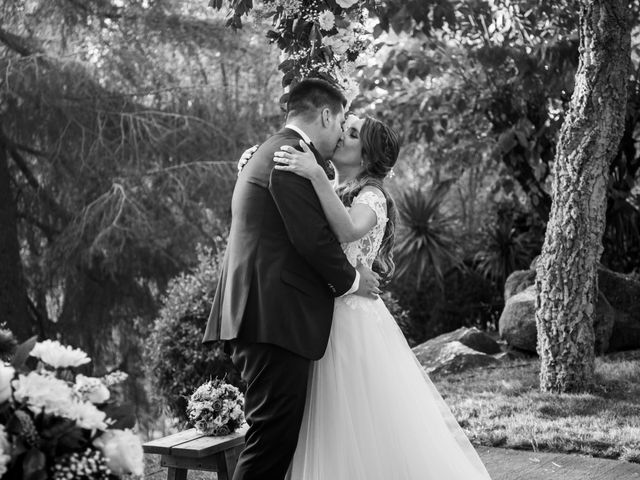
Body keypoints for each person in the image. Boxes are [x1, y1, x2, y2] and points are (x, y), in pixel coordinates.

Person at [241, 113, 493, 479]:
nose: (342, 133)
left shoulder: (371, 195)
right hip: (319, 316)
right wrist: (256, 161)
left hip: (352, 321)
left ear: (366, 156)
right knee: (321, 418)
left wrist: (313, 173)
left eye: (353, 133)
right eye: (346, 126)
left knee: (356, 418)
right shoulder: (333, 185)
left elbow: (346, 230)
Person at [203, 78, 381, 480]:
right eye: (341, 124)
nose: (339, 135)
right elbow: (312, 240)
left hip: (265, 313)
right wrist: (354, 280)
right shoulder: (291, 157)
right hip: (273, 318)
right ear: (325, 114)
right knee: (271, 441)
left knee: (274, 437)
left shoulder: (274, 151)